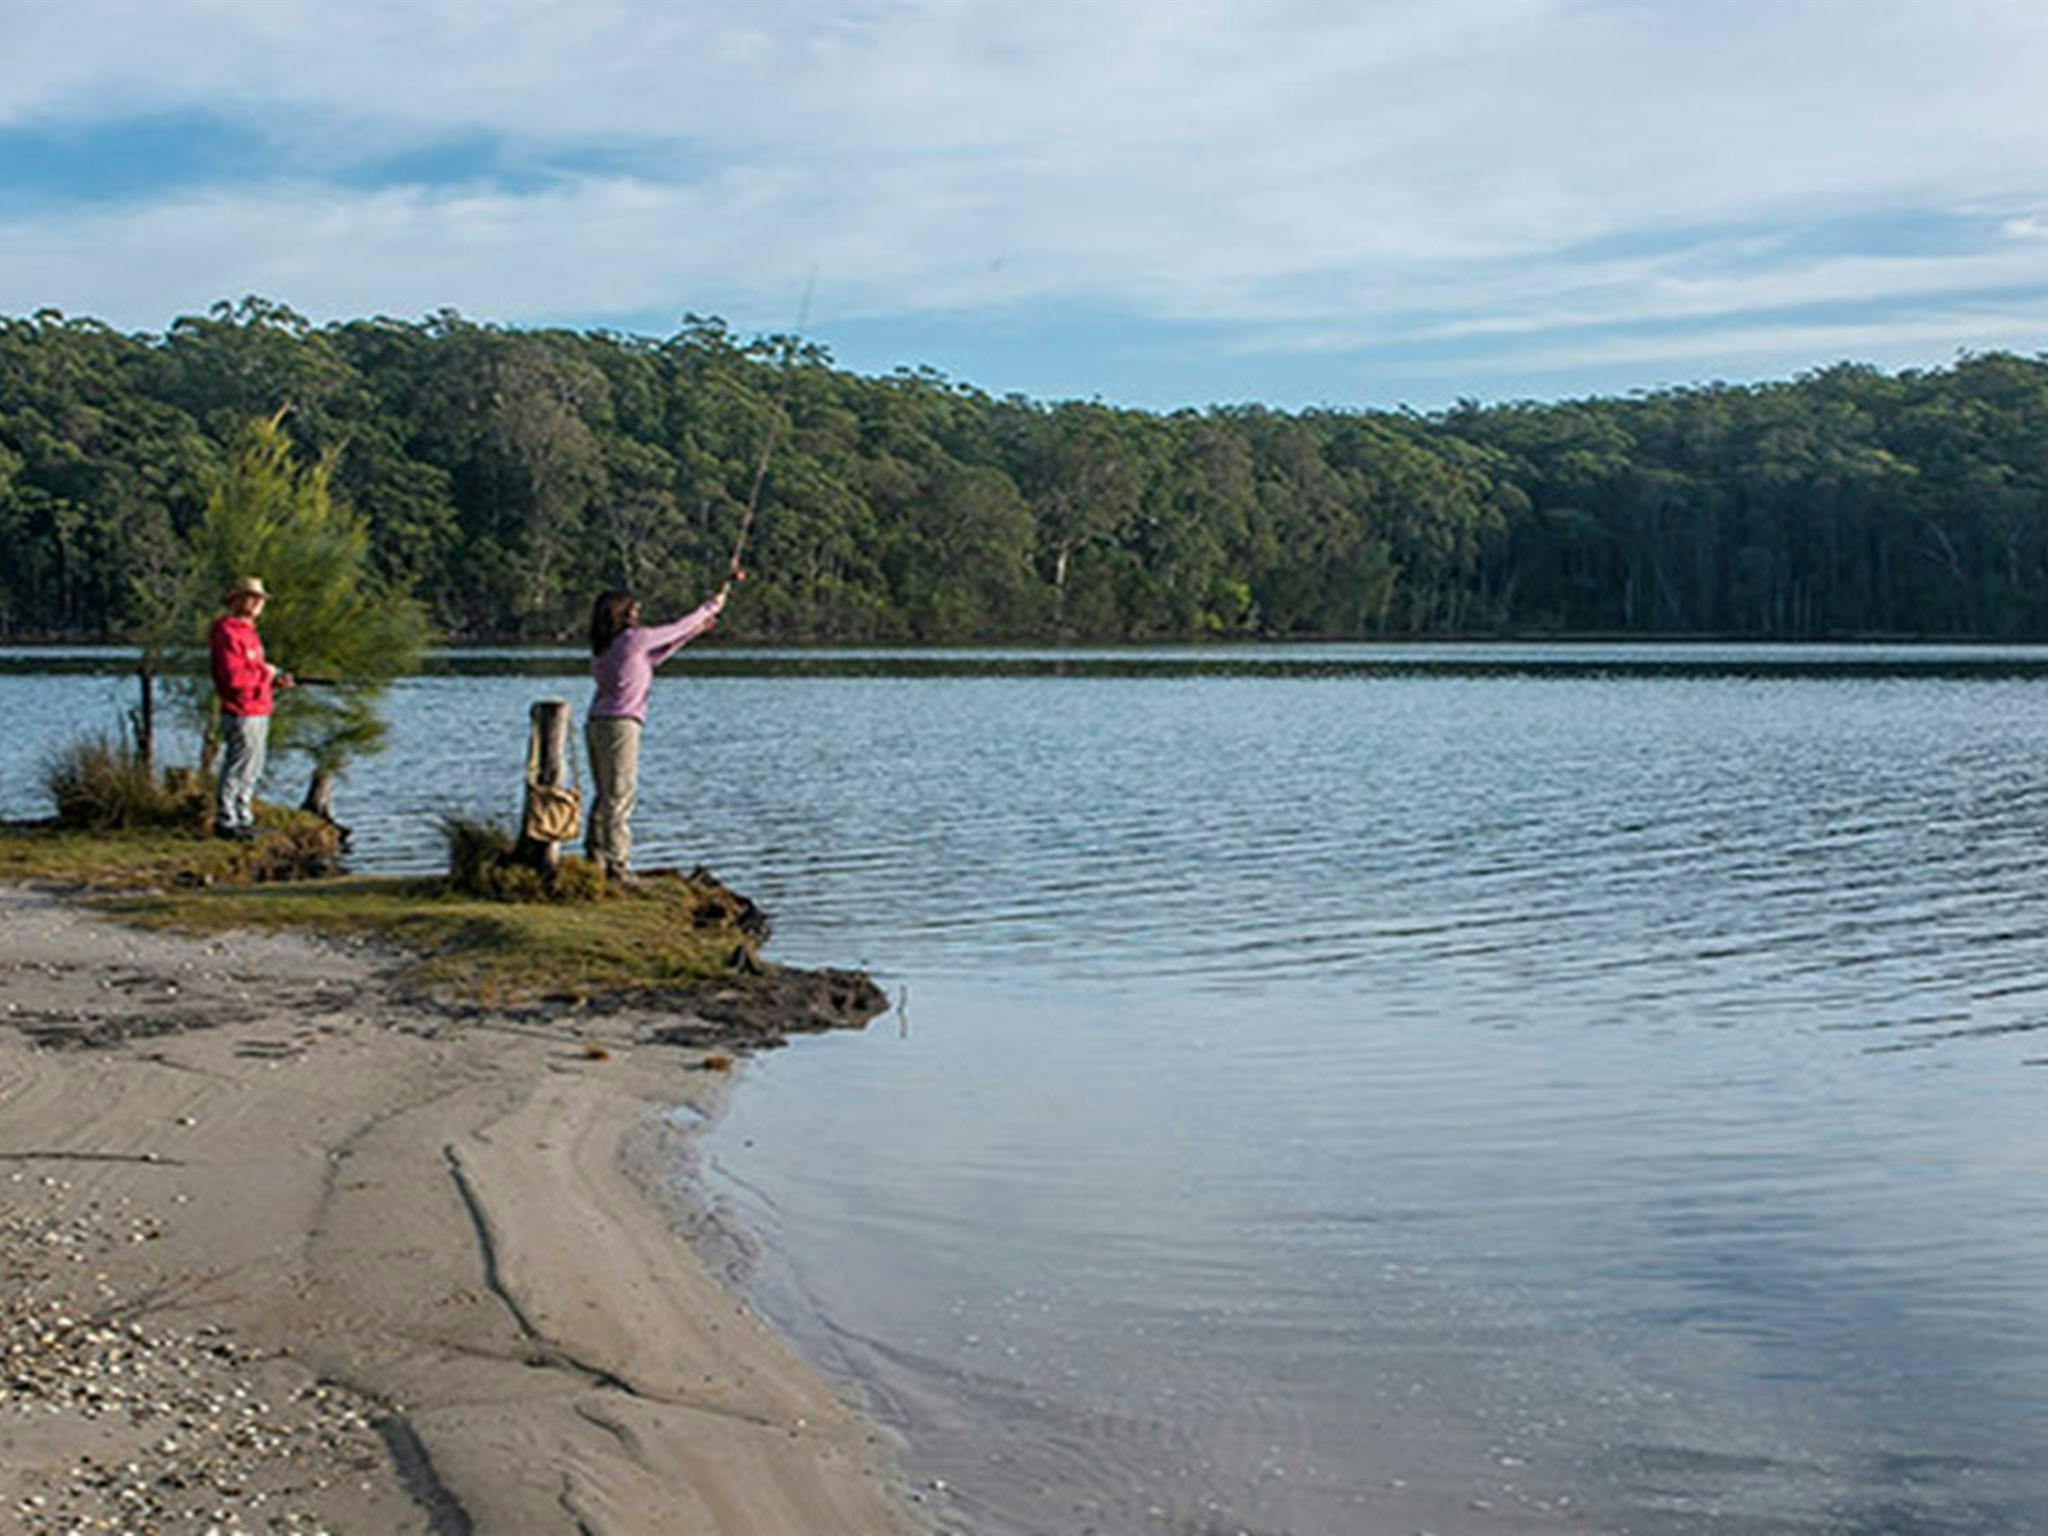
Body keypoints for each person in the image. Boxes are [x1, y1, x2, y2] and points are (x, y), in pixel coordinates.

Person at [585, 582, 729, 879]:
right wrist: (711, 605)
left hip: (597, 723)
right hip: (621, 725)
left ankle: (595, 858)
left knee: (605, 795)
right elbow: (675, 628)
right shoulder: (634, 639)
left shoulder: (608, 647)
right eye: (634, 608)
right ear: (623, 613)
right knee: (620, 795)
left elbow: (657, 655)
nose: (638, 612)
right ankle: (617, 864)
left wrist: (697, 630)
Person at [208, 576, 294, 839]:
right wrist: (266, 676)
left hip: (258, 708)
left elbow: (252, 672)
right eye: (251, 597)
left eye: (260, 599)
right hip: (241, 710)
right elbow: (233, 678)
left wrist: (274, 679)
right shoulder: (227, 632)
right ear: (235, 601)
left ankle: (243, 818)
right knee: (238, 766)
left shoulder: (249, 632)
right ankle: (226, 821)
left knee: (252, 768)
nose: (257, 603)